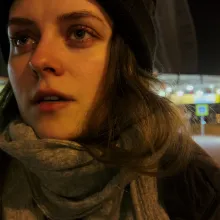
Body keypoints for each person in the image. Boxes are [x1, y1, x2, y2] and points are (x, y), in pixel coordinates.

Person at [0, 0, 219, 219]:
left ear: (128, 61)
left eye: (79, 33)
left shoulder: (199, 190)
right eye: (22, 39)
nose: (38, 60)